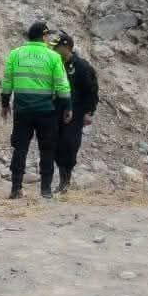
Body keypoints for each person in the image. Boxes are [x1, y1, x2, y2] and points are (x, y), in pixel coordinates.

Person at [0, 20, 72, 199]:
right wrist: (67, 106)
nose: (49, 39)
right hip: (46, 111)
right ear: (43, 36)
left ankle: (16, 189)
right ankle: (45, 190)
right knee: (47, 149)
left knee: (20, 149)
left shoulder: (15, 54)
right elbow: (62, 85)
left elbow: (7, 81)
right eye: (48, 36)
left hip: (22, 111)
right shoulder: (53, 56)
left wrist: (4, 103)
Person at [50, 32, 99, 193]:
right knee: (55, 145)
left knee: (69, 144)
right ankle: (62, 179)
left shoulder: (82, 66)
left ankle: (66, 179)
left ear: (66, 47)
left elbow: (91, 91)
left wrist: (89, 112)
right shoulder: (55, 64)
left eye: (57, 47)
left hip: (76, 112)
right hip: (56, 110)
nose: (54, 50)